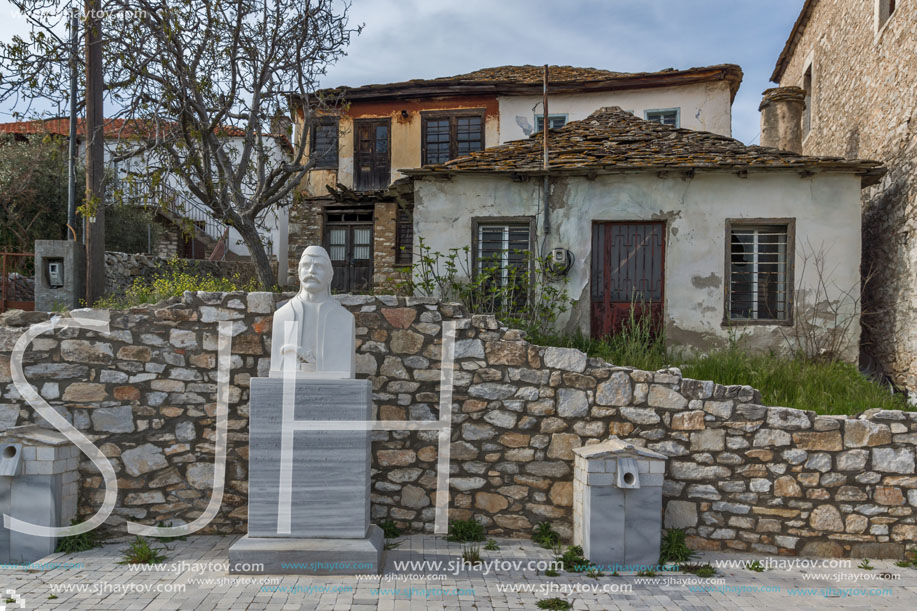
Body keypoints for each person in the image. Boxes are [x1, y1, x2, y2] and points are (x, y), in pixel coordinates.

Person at [268, 245, 355, 378]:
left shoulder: (344, 319)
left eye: (319, 266)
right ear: (299, 271)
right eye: (306, 265)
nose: (311, 271)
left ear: (330, 275)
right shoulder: (282, 316)